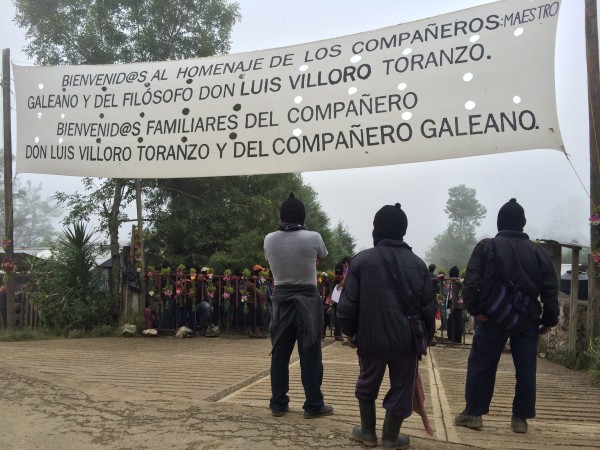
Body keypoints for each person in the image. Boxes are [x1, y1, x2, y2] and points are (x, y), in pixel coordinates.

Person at [455, 198, 559, 434]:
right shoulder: (537, 252)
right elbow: (550, 289)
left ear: (500, 222)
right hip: (527, 319)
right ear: (522, 223)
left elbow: (471, 282)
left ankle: (474, 414)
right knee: (526, 368)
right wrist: (549, 320)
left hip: (491, 317)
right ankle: (520, 419)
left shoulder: (486, 247)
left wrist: (476, 310)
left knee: (482, 364)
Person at [337, 203, 436, 449]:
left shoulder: (361, 261)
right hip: (406, 341)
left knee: (367, 382)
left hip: (370, 339)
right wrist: (426, 338)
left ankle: (367, 433)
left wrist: (349, 332)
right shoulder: (418, 264)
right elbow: (427, 308)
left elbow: (348, 304)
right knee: (403, 387)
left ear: (376, 230)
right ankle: (391, 437)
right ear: (402, 230)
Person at [264, 192, 333, 419]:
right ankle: (313, 405)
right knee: (310, 354)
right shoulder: (313, 237)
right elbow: (320, 258)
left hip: (281, 302)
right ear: (303, 216)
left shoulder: (269, 239)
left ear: (281, 216)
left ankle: (278, 404)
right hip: (307, 302)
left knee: (280, 354)